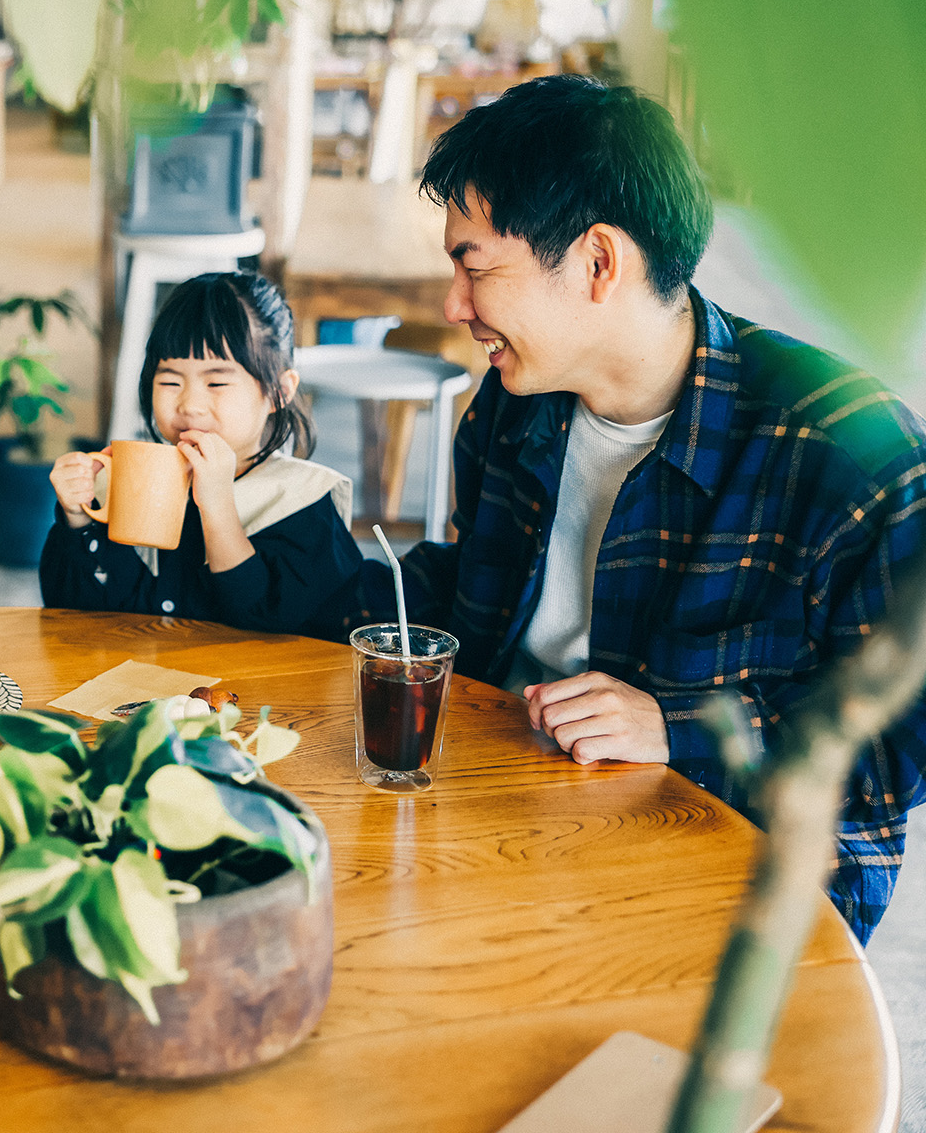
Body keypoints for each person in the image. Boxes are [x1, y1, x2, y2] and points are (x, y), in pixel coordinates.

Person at [368, 74, 926, 940]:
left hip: (734, 870)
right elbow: (462, 596)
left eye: (473, 266)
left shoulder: (848, 451)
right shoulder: (514, 404)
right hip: (508, 797)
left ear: (598, 262)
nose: (452, 306)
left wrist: (679, 732)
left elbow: (900, 747)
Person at [39, 272, 366, 637]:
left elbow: (273, 628)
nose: (190, 404)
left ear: (278, 391)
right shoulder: (126, 484)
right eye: (170, 381)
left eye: (216, 382)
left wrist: (217, 505)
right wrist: (76, 520)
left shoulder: (303, 498)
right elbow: (68, 611)